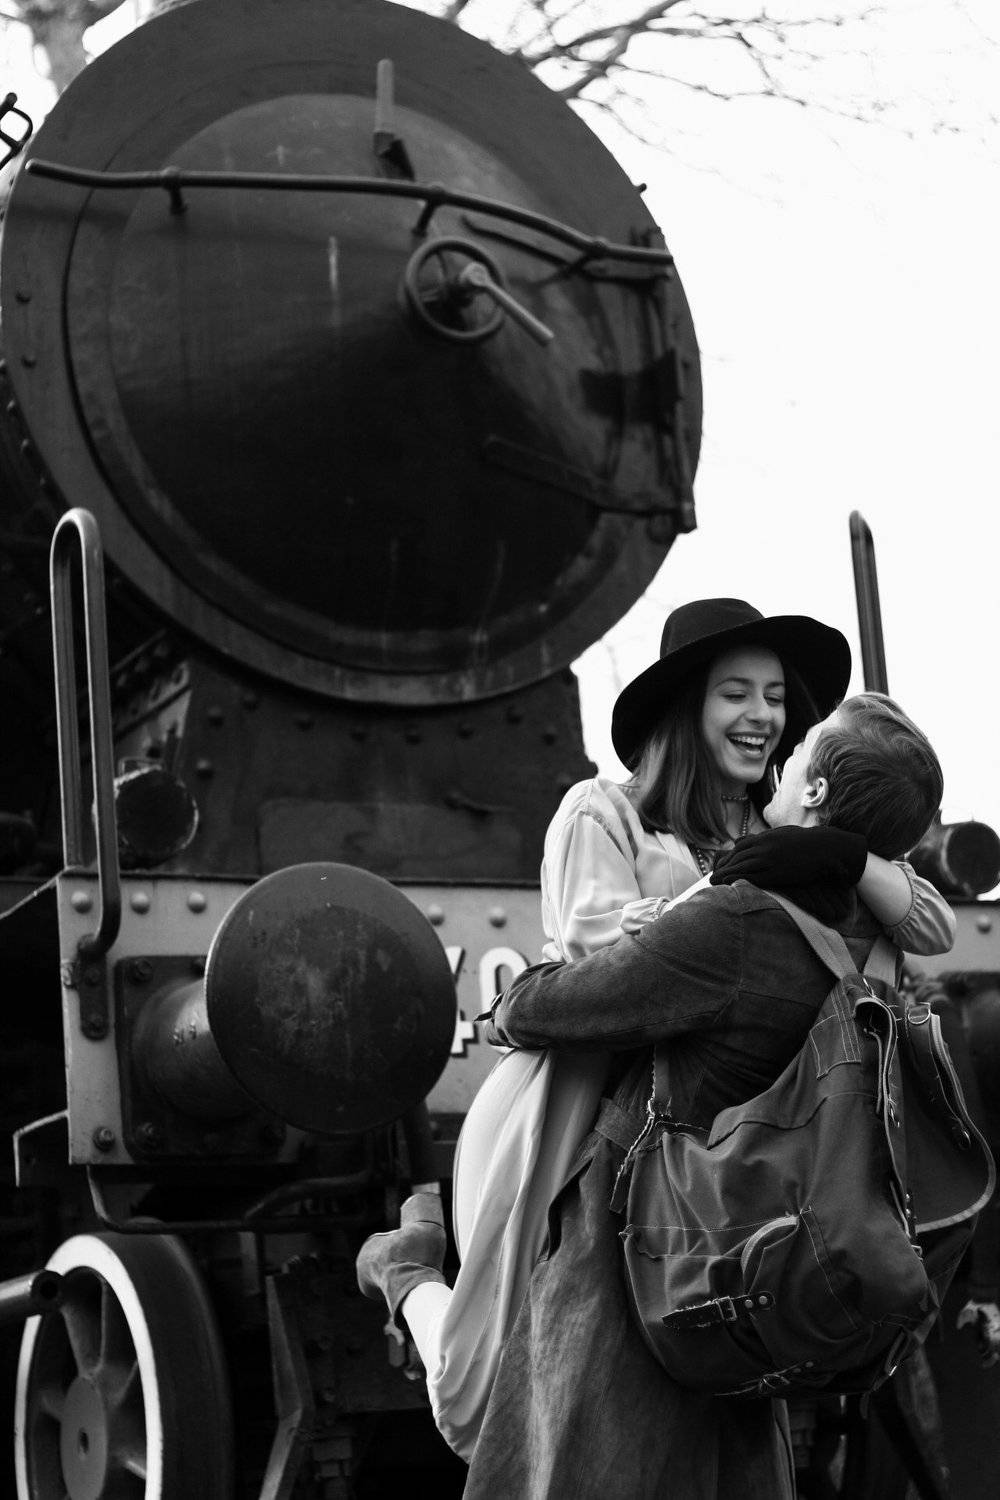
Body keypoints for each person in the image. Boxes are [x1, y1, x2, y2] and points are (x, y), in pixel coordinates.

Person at [357, 604, 955, 1460]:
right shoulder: (601, 811)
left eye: (775, 697)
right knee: (476, 1384)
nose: (763, 716)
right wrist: (701, 904)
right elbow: (606, 967)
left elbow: (929, 923)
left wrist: (846, 857)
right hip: (577, 1097)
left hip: (700, 1126)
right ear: (688, 707)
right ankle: (406, 1266)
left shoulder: (777, 830)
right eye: (736, 693)